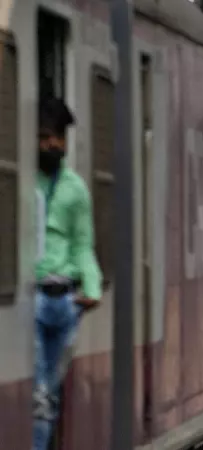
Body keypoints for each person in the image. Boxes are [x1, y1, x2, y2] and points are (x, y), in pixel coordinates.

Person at [32, 98, 102, 450]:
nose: (53, 144)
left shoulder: (74, 188)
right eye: (45, 137)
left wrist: (91, 288)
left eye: (58, 137)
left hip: (64, 303)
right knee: (39, 393)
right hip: (31, 299)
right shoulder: (25, 182)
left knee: (49, 396)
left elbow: (83, 244)